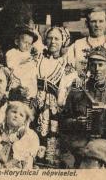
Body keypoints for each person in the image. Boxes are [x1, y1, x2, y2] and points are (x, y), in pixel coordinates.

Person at [61, 45, 106, 168]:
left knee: (93, 155)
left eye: (101, 65)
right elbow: (63, 122)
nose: (97, 69)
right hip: (79, 140)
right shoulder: (76, 92)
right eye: (93, 65)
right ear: (88, 66)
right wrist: (76, 122)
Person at [34, 26, 77, 167]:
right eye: (50, 38)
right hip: (35, 104)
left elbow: (68, 90)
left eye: (57, 38)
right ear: (45, 40)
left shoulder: (66, 65)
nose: (53, 41)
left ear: (63, 41)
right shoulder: (36, 59)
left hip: (54, 107)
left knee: (52, 139)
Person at [0, 101, 39, 169]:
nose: (16, 116)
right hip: (0, 159)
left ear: (25, 121)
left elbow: (24, 152)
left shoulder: (26, 133)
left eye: (21, 115)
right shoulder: (0, 128)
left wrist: (12, 162)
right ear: (6, 114)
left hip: (18, 162)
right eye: (14, 112)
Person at [6, 24, 39, 98]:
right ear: (17, 42)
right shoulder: (12, 52)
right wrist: (21, 60)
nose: (27, 45)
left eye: (30, 44)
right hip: (15, 83)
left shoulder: (30, 56)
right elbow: (10, 64)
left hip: (26, 84)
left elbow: (33, 74)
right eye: (25, 42)